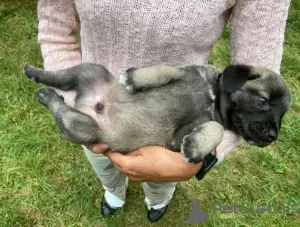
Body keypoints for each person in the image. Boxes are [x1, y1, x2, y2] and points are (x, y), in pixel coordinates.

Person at [37, 0, 291, 222]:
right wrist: (80, 104)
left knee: (161, 181)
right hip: (97, 108)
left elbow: (262, 69)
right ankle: (114, 192)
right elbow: (56, 31)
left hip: (179, 126)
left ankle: (156, 201)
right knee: (104, 166)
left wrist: (207, 154)